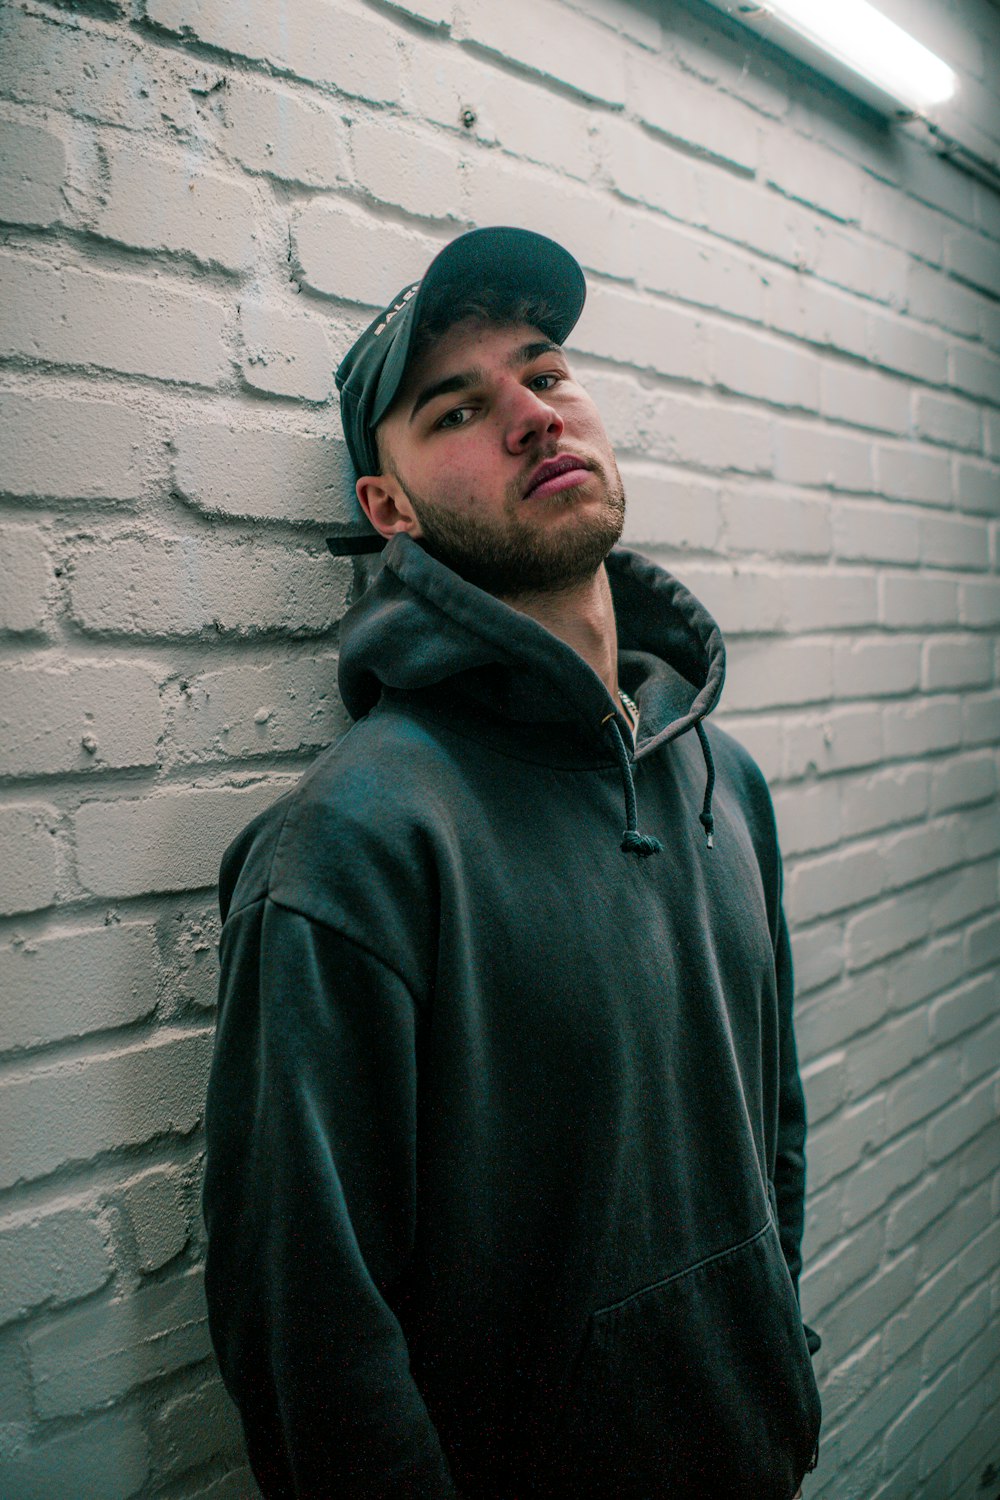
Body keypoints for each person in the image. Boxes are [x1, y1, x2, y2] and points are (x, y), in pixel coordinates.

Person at [203, 226, 822, 1500]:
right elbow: (310, 1335)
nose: (532, 416)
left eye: (545, 370)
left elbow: (771, 1132)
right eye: (457, 408)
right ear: (391, 511)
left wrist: (775, 1353)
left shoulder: (724, 777)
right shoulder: (356, 846)